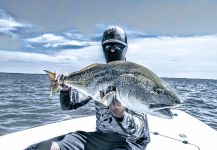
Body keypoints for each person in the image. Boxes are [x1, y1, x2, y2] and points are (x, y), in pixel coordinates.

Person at [37, 26, 150, 150]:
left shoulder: (136, 77)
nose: (112, 50)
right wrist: (65, 89)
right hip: (101, 137)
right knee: (46, 147)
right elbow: (67, 106)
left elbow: (139, 131)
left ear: (125, 48)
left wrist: (121, 115)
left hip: (131, 141)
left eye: (116, 46)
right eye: (107, 47)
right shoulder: (97, 76)